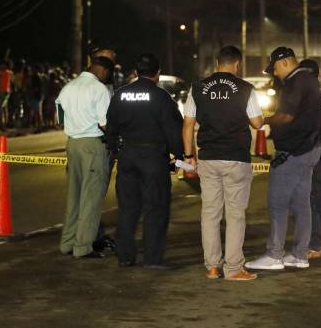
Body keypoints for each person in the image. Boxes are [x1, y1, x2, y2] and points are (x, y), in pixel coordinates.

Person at [182, 46, 263, 282]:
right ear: (237, 64)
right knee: (235, 214)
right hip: (236, 157)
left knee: (210, 213)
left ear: (217, 63)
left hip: (208, 157)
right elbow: (257, 123)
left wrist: (189, 156)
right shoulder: (246, 89)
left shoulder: (198, 88)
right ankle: (234, 267)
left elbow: (187, 125)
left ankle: (212, 267)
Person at [245, 47, 321, 271]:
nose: (275, 73)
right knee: (302, 204)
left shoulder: (294, 82)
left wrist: (265, 121)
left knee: (277, 203)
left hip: (292, 151)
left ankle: (274, 255)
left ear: (285, 62)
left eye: (275, 68)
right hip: (310, 148)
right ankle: (300, 255)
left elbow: (286, 116)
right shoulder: (310, 79)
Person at [106, 53, 184, 269]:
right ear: (157, 73)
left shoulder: (121, 95)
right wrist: (178, 156)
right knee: (155, 208)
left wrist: (115, 151)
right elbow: (173, 131)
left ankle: (124, 256)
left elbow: (111, 127)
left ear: (137, 72)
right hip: (153, 158)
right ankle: (152, 258)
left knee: (127, 208)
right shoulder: (161, 97)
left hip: (128, 156)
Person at [55, 56, 114, 259]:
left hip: (72, 144)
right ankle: (83, 247)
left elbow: (59, 118)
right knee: (91, 198)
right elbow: (105, 123)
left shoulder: (68, 87)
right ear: (104, 71)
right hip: (93, 145)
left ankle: (67, 243)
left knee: (74, 197)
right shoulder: (99, 89)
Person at [298, 58, 321, 260]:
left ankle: (307, 242)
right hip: (320, 150)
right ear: (318, 75)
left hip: (299, 152)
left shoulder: (296, 96)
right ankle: (316, 244)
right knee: (318, 197)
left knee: (300, 197)